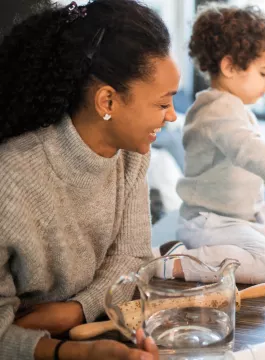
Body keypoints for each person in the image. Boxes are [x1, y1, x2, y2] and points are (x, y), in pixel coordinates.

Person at [0, 0, 180, 359]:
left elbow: (133, 254)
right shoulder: (11, 178)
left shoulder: (132, 158)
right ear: (108, 101)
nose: (172, 117)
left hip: (89, 330)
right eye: (162, 104)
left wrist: (77, 309)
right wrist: (79, 353)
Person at [156, 4, 265, 285]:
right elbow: (251, 150)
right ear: (229, 66)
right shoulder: (214, 111)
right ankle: (176, 262)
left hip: (246, 216)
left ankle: (249, 241)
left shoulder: (236, 107)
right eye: (264, 73)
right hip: (211, 222)